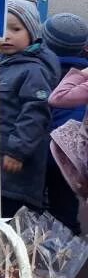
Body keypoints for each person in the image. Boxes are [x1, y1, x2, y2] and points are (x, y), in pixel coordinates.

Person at [0, 0, 61, 217]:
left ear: (32, 32)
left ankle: (3, 250)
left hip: (13, 162)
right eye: (1, 30)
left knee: (10, 215)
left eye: (16, 29)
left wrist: (17, 151)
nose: (6, 36)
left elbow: (35, 114)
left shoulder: (33, 71)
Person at [45, 13, 88, 233]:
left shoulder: (45, 70)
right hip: (73, 157)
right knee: (65, 204)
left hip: (51, 152)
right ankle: (69, 237)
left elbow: (56, 100)